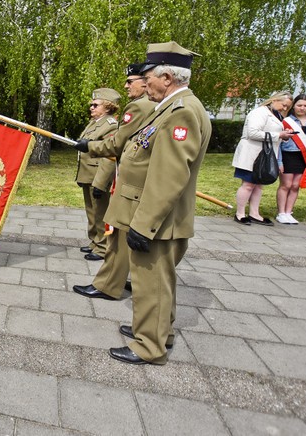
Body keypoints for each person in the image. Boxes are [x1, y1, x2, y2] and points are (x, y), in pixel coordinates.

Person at [85, 41, 210, 365]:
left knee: (151, 284)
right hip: (159, 216)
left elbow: (168, 176)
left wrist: (144, 224)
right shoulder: (173, 108)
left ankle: (148, 346)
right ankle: (158, 333)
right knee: (158, 284)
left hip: (159, 219)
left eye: (148, 76)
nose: (144, 83)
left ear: (166, 77)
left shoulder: (180, 112)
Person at [73, 63, 156, 300]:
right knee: (114, 229)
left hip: (130, 181)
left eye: (131, 81)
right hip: (133, 178)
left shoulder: (139, 107)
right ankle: (116, 280)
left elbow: (114, 148)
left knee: (116, 231)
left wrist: (89, 148)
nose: (127, 85)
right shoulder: (156, 106)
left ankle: (109, 284)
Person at [231, 91, 294, 226]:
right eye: (284, 105)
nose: (285, 109)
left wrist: (283, 136)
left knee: (259, 185)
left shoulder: (274, 115)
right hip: (252, 153)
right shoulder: (259, 112)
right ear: (274, 100)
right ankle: (240, 213)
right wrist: (279, 135)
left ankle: (254, 213)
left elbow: (272, 134)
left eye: (287, 107)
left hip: (263, 155)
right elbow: (253, 133)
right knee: (248, 184)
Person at [74, 88, 121, 261]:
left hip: (98, 177)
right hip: (88, 174)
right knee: (91, 212)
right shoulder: (94, 123)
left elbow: (109, 156)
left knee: (101, 213)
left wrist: (101, 183)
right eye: (91, 105)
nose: (91, 108)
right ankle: (95, 241)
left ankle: (103, 247)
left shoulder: (111, 126)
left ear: (108, 107)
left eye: (96, 105)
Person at [276, 94, 306, 224]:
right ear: (293, 106)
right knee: (286, 185)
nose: (302, 108)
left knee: (295, 186)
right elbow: (278, 143)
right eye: (299, 105)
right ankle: (281, 213)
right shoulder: (286, 121)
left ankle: (289, 212)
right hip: (288, 155)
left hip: (304, 157)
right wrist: (279, 161)